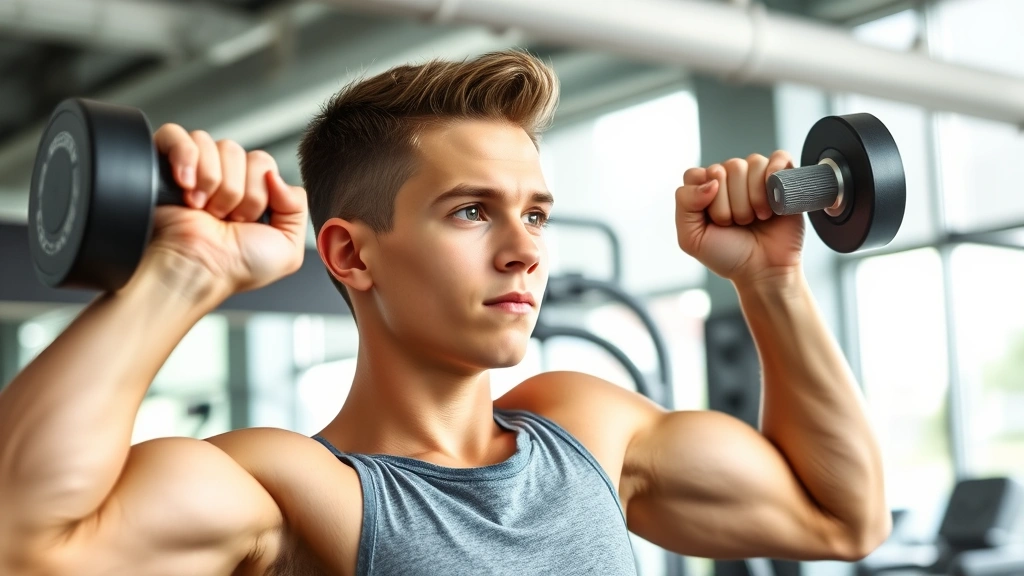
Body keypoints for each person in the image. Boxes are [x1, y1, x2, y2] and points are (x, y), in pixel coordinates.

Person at [0, 50, 889, 576]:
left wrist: (771, 284)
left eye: (534, 212)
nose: (526, 249)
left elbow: (843, 519)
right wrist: (184, 270)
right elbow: (25, 545)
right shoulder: (298, 492)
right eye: (472, 211)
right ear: (351, 254)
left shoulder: (587, 430)